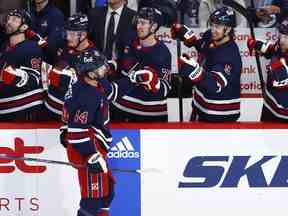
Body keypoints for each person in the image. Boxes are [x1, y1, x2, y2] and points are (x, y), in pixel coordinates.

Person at [59, 49, 159, 216]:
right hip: (87, 149)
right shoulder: (87, 95)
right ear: (90, 73)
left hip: (93, 147)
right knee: (92, 201)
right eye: (100, 67)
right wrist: (91, 155)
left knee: (107, 194)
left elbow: (111, 92)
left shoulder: (94, 83)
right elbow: (77, 131)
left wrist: (133, 79)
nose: (104, 68)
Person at [171, 6, 242, 122]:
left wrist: (194, 70)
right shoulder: (211, 36)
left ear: (228, 29)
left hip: (219, 116)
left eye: (217, 26)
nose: (213, 29)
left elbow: (214, 84)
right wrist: (189, 39)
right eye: (212, 25)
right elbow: (203, 46)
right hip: (200, 107)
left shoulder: (230, 55)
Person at [110, 6, 172, 122]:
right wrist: (111, 66)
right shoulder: (129, 39)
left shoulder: (162, 53)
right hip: (121, 108)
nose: (139, 26)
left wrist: (154, 82)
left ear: (153, 27)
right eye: (138, 22)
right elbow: (121, 63)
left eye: (143, 23)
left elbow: (164, 89)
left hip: (151, 114)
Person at [45, 13, 103, 121]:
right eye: (67, 33)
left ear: (83, 35)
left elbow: (94, 90)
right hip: (50, 110)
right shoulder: (63, 46)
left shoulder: (94, 57)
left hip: (72, 116)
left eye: (72, 34)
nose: (68, 37)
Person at [0, 9, 44, 121]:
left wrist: (15, 76)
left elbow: (34, 80)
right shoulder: (4, 47)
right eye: (9, 18)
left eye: (14, 19)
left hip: (19, 111)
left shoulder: (31, 48)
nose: (9, 22)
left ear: (24, 27)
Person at [247, 18, 288, 122]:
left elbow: (279, 82)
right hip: (270, 109)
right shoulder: (280, 46)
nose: (282, 40)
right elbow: (270, 49)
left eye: (287, 37)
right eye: (281, 35)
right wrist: (255, 44)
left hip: (283, 116)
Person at [30, 0, 65, 64]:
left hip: (47, 63)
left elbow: (52, 46)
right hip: (28, 60)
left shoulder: (56, 15)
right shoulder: (29, 13)